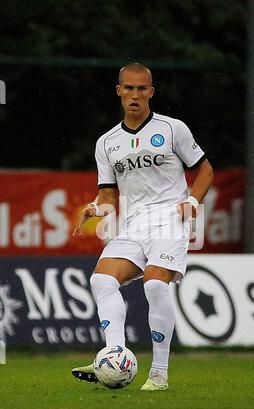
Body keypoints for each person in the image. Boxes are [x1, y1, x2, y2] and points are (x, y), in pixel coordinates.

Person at [72, 63, 213, 390]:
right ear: (118, 91)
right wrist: (95, 207)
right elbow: (108, 196)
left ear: (151, 92)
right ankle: (114, 354)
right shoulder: (106, 143)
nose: (135, 95)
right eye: (129, 88)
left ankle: (159, 373)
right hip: (134, 223)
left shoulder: (173, 128)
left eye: (141, 89)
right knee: (102, 279)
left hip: (169, 220)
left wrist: (192, 201)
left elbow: (205, 171)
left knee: (153, 285)